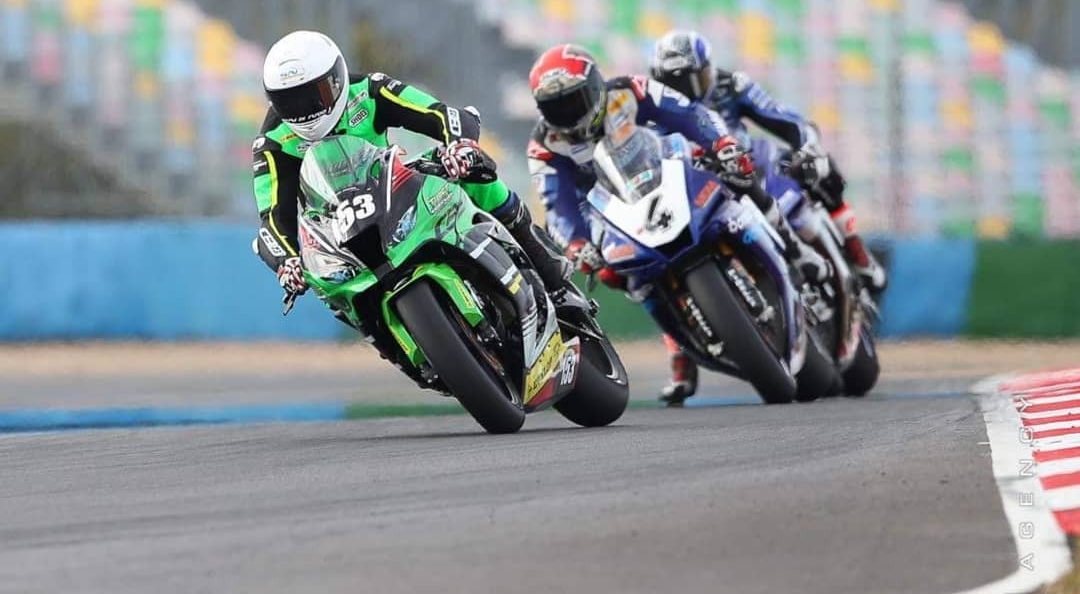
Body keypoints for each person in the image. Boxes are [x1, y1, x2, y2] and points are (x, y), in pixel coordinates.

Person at [526, 43, 829, 405]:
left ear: (595, 87)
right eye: (555, 107)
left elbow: (688, 114)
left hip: (664, 173)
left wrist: (723, 144)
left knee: (738, 176)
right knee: (618, 275)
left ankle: (795, 250)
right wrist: (576, 245)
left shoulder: (630, 90)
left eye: (574, 100)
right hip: (610, 212)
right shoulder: (545, 147)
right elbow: (558, 207)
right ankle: (680, 351)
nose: (568, 113)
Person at [649, 30, 889, 403]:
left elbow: (783, 119)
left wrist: (806, 144)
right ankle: (681, 358)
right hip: (702, 192)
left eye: (695, 78)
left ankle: (854, 251)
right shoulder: (652, 111)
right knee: (663, 255)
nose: (690, 88)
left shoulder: (731, 86)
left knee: (819, 172)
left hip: (754, 173)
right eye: (676, 82)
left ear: (709, 70)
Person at [252, 30, 569, 301]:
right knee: (329, 291)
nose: (305, 111)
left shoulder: (367, 92)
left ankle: (552, 276)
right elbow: (272, 219)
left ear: (337, 79)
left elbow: (443, 114)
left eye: (314, 95)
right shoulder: (273, 142)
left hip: (391, 190)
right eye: (289, 102)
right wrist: (286, 261)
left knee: (476, 175)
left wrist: (459, 146)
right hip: (337, 233)